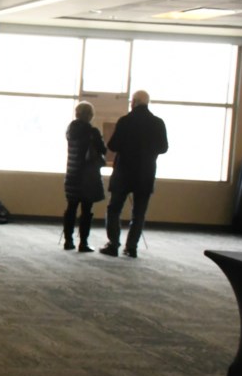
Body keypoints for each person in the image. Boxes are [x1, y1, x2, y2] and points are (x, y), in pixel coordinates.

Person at [100, 90, 168, 258]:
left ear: (135, 102)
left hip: (124, 172)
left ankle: (113, 244)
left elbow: (113, 146)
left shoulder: (125, 121)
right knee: (139, 213)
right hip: (145, 173)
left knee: (114, 209)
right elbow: (163, 148)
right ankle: (131, 247)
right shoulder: (158, 123)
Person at [62, 101, 107, 252]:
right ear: (90, 115)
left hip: (72, 173)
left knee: (71, 207)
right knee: (86, 210)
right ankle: (83, 243)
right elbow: (103, 150)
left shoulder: (70, 130)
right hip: (88, 176)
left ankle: (68, 241)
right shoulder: (92, 132)